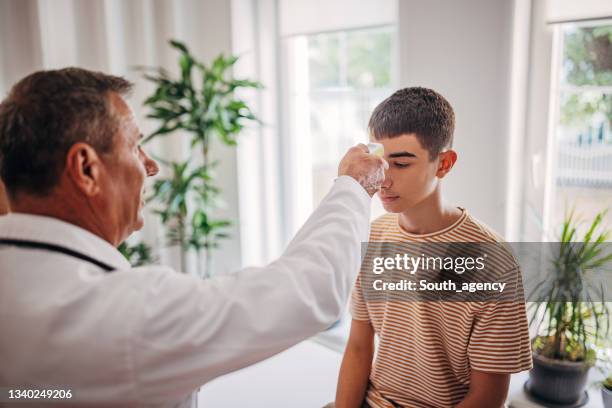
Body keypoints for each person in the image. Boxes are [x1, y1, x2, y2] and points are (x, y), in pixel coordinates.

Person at [0, 68, 387, 407]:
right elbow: (311, 291)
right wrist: (352, 187)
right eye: (136, 145)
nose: (151, 166)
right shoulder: (126, 314)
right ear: (86, 168)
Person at [333, 88, 532, 408]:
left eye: (400, 164)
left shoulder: (495, 262)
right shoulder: (370, 239)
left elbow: (488, 397)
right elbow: (358, 347)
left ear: (444, 164)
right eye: (379, 163)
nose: (382, 179)